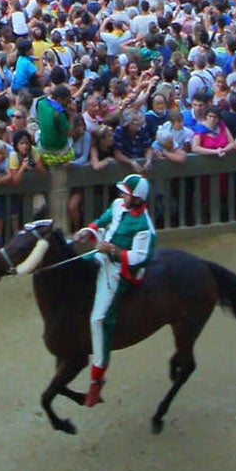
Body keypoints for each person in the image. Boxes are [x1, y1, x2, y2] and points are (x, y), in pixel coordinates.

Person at [74, 171, 156, 408]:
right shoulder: (119, 204)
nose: (121, 194)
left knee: (99, 319)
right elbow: (103, 220)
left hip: (120, 271)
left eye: (126, 193)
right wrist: (87, 231)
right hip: (102, 253)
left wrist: (111, 251)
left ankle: (95, 382)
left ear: (137, 199)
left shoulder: (145, 227)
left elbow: (141, 257)